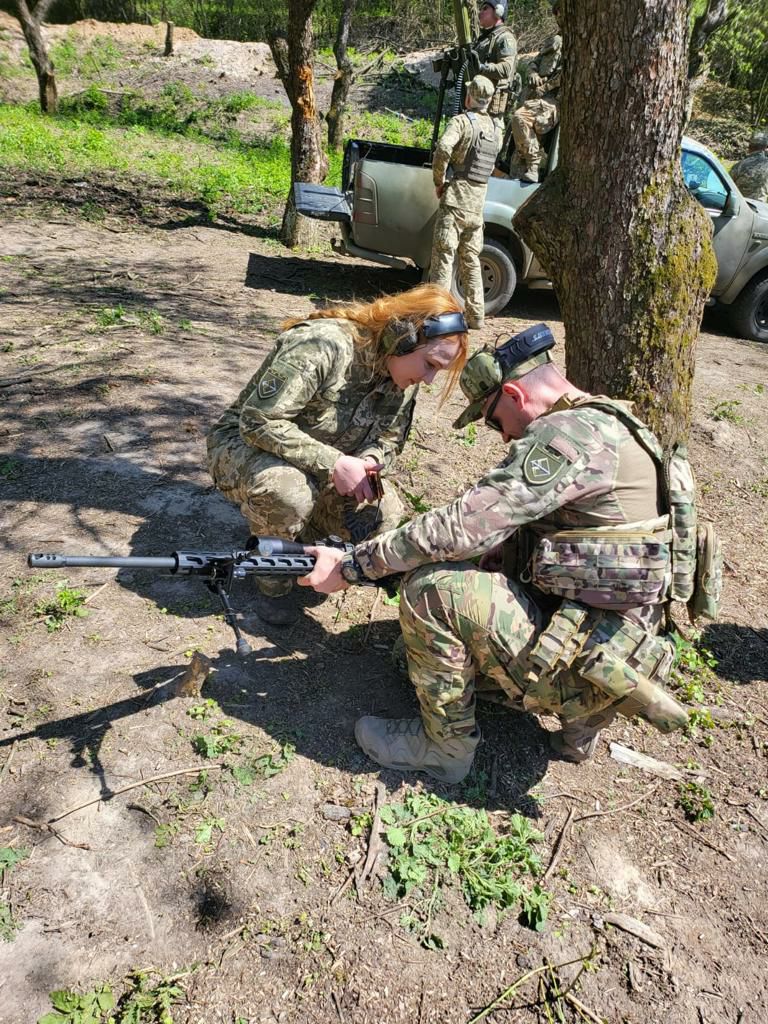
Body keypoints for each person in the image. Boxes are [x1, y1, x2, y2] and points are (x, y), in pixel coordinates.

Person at [299, 324, 691, 783]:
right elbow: (589, 547)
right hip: (624, 654)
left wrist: (351, 567)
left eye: (494, 420)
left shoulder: (566, 438)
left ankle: (444, 748)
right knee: (478, 564)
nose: (503, 437)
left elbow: (460, 527)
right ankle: (580, 731)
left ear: (514, 394)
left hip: (586, 662)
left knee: (430, 590)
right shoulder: (613, 422)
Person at [206, 285, 470, 626]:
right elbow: (258, 421)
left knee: (384, 512)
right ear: (403, 338)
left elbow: (389, 440)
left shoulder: (401, 375)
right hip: (245, 447)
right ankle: (272, 580)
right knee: (287, 492)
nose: (430, 379)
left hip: (317, 466)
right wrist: (334, 463)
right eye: (430, 364)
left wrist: (370, 461)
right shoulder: (323, 345)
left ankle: (306, 538)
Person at [429, 75, 501, 331]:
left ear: (469, 96)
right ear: (490, 100)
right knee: (471, 260)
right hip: (477, 203)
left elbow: (444, 148)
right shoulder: (496, 129)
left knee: (444, 257)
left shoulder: (461, 122)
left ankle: (435, 313)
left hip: (456, 198)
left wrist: (439, 180)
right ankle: (476, 316)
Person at [509, 2, 563, 183]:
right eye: (556, 12)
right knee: (517, 154)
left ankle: (535, 163)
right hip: (535, 97)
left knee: (520, 118)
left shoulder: (578, 42)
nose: (559, 16)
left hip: (553, 100)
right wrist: (532, 73)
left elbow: (568, 74)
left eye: (562, 11)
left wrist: (545, 87)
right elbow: (535, 61)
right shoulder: (553, 39)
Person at [471, 1, 518, 130]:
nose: (480, 12)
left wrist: (482, 67)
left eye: (485, 9)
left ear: (498, 12)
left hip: (491, 110)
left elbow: (506, 69)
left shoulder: (505, 38)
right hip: (477, 103)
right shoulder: (485, 38)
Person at [730, 131, 768, 203]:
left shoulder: (739, 166)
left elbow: (727, 185)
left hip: (740, 206)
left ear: (749, 147)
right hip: (760, 209)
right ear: (765, 147)